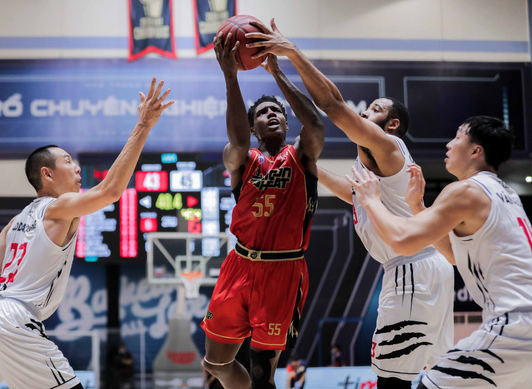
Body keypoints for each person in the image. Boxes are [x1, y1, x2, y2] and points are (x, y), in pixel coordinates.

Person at [245, 19, 454, 389]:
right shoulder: (375, 166)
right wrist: (309, 166)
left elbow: (332, 104)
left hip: (410, 270)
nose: (363, 113)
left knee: (391, 379)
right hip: (426, 268)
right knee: (439, 377)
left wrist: (290, 51)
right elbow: (351, 193)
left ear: (390, 126)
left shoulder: (387, 148)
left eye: (373, 109)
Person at [0, 78, 173, 389]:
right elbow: (111, 190)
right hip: (13, 318)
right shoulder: (60, 205)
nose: (77, 167)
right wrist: (142, 127)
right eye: (68, 161)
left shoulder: (15, 222)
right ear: (47, 174)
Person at [349, 116, 532, 389]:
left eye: (458, 137)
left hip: (514, 327)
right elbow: (454, 255)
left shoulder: (465, 190)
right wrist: (418, 207)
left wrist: (372, 201)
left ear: (475, 151)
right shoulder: (506, 193)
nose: (448, 144)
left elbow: (402, 241)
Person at [200, 31, 324, 389]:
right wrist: (230, 76)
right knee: (217, 364)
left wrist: (277, 73)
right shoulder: (242, 159)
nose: (272, 115)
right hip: (238, 266)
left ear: (286, 124)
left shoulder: (301, 156)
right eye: (263, 113)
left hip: (282, 270)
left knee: (261, 376)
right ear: (253, 127)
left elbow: (315, 125)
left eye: (277, 112)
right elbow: (237, 141)